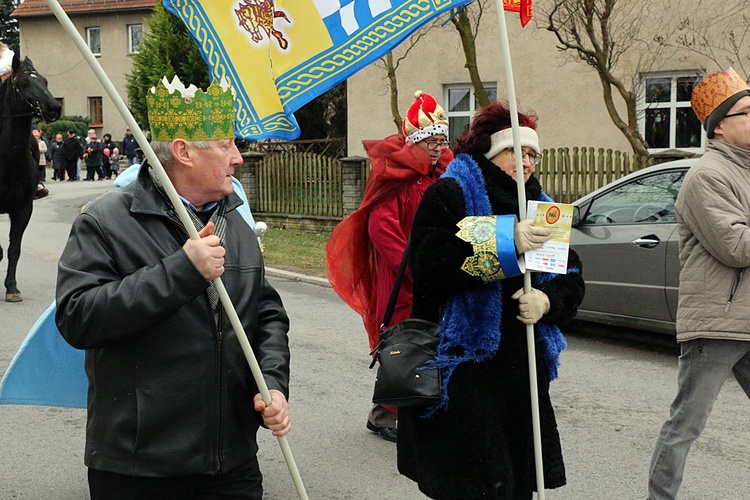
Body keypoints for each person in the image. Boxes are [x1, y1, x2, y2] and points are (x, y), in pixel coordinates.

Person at [55, 76, 291, 499]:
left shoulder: (233, 221)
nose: (238, 157)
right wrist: (181, 269)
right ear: (183, 152)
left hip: (231, 462)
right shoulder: (104, 221)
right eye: (225, 145)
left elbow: (266, 313)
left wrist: (272, 383)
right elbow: (78, 318)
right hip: (139, 469)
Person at [397, 101, 585, 499]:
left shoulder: (542, 205)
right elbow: (428, 265)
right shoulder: (450, 193)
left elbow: (572, 275)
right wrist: (504, 240)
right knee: (474, 487)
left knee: (517, 484)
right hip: (465, 372)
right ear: (488, 150)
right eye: (516, 151)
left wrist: (548, 302)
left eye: (533, 153)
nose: (527, 161)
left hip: (522, 375)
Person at [326, 91, 453, 443]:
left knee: (431, 343)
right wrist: (416, 270)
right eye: (430, 140)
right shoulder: (393, 178)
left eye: (441, 140)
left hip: (432, 277)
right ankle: (386, 414)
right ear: (414, 141)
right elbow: (381, 228)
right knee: (403, 343)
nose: (436, 147)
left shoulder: (441, 177)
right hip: (402, 280)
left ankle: (419, 408)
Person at [647, 68, 750, 500]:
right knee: (686, 424)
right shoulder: (707, 176)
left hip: (746, 317)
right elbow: (737, 246)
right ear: (721, 127)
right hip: (717, 322)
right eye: (748, 112)